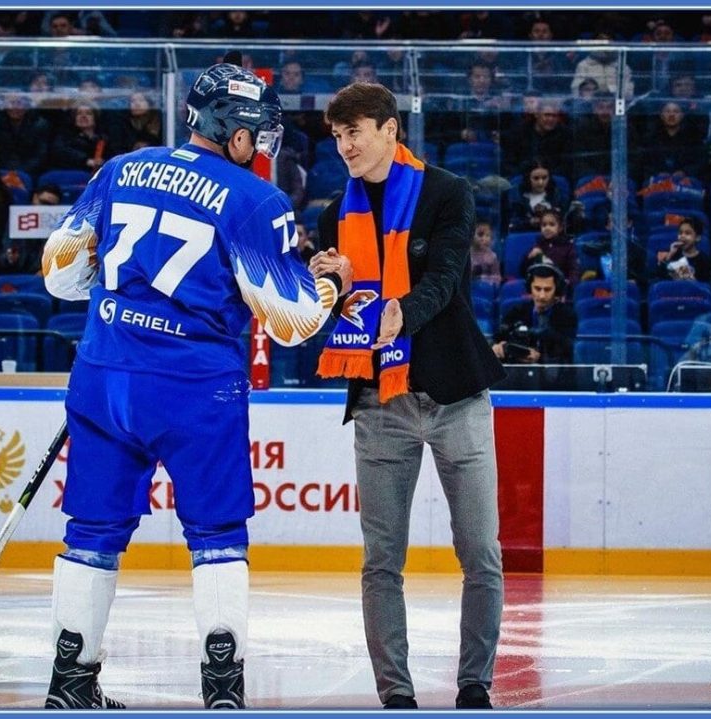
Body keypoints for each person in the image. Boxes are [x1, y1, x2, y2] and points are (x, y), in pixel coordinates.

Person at [39, 62, 352, 710]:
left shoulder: (120, 170)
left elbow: (58, 275)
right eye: (256, 132)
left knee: (89, 533)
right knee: (216, 536)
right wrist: (331, 285)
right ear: (233, 133)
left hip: (103, 373)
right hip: (194, 387)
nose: (261, 144)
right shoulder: (254, 200)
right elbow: (291, 324)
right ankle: (222, 694)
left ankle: (69, 686)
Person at [310, 81, 505, 710]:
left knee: (481, 553)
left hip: (456, 396)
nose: (344, 147)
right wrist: (322, 284)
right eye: (337, 136)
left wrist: (402, 314)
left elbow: (447, 278)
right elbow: (333, 313)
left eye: (354, 132)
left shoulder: (447, 192)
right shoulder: (330, 214)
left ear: (390, 129)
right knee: (381, 562)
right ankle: (397, 698)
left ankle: (474, 686)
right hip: (378, 404)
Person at [492, 262, 577, 364]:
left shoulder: (567, 315)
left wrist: (539, 358)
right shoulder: (516, 311)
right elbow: (497, 338)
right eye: (537, 289)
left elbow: (566, 350)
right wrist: (497, 346)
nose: (542, 295)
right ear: (529, 288)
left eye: (547, 290)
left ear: (557, 290)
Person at [518, 208, 580, 291]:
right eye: (544, 225)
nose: (547, 228)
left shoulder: (568, 247)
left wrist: (568, 283)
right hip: (539, 285)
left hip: (559, 287)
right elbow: (523, 271)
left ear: (560, 228)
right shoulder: (538, 245)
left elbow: (574, 270)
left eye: (551, 224)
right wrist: (529, 257)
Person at [656, 216, 711, 283]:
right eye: (680, 233)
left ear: (697, 238)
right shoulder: (673, 254)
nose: (682, 236)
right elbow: (660, 277)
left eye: (687, 233)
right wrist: (670, 255)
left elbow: (705, 286)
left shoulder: (704, 260)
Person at [470, 220, 501, 285]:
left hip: (486, 288)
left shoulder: (492, 256)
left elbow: (498, 278)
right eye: (480, 235)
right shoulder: (467, 255)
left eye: (487, 235)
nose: (484, 238)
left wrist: (483, 278)